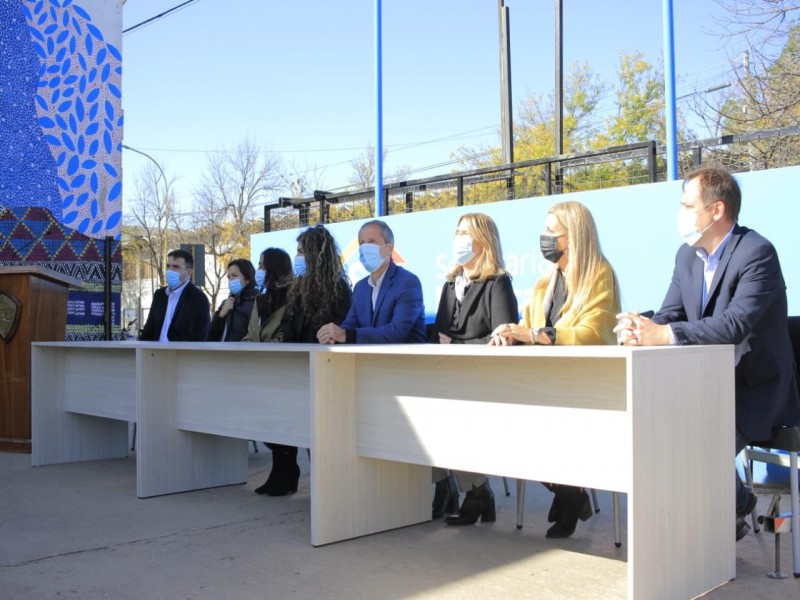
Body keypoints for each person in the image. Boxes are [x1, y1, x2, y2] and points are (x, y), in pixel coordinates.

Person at [614, 164, 800, 542]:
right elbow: (670, 315)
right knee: (664, 430)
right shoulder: (687, 257)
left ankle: (716, 527)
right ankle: (735, 506)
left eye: (687, 204)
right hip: (706, 385)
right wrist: (639, 326)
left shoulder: (757, 253)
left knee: (697, 440)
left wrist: (663, 334)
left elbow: (733, 326)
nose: (681, 214)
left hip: (755, 390)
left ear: (716, 210)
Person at [490, 201, 621, 538]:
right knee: (504, 425)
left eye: (552, 231)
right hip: (544, 385)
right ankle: (571, 496)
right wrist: (510, 334)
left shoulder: (599, 277)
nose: (545, 238)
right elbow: (528, 327)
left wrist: (534, 335)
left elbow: (594, 334)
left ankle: (570, 497)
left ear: (573, 237)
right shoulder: (544, 283)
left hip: (584, 389)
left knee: (537, 427)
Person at [428, 213, 519, 525]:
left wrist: (456, 346)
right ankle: (443, 485)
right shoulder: (449, 284)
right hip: (448, 375)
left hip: (483, 379)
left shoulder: (498, 283)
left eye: (465, 232)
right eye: (457, 232)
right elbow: (440, 332)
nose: (459, 238)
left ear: (484, 240)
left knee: (451, 415)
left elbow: (503, 338)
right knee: (422, 407)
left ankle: (478, 491)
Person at [255, 225, 352, 497]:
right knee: (285, 419)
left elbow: (337, 328)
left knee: (317, 431)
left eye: (301, 251)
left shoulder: (338, 289)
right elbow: (288, 325)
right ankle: (283, 472)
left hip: (323, 369)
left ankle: (325, 485)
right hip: (295, 366)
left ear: (315, 255)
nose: (298, 257)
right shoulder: (297, 289)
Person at [316, 219, 426, 345]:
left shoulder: (408, 283)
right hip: (367, 362)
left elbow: (396, 333)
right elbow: (350, 325)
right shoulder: (360, 287)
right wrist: (332, 335)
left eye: (372, 242)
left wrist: (347, 335)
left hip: (406, 362)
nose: (365, 248)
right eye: (362, 243)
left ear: (389, 248)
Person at [139, 249, 210, 342]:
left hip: (180, 354)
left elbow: (198, 336)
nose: (170, 270)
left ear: (188, 272)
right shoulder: (159, 295)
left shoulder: (198, 298)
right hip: (155, 353)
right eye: (168, 266)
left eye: (176, 267)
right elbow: (149, 329)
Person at [241, 248, 293, 343]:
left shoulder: (291, 299)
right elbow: (250, 334)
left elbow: (284, 336)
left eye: (261, 266)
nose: (258, 270)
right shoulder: (261, 300)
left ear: (273, 268)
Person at [207, 258, 258, 342]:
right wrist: (221, 315)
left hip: (242, 353)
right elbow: (211, 336)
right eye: (229, 277)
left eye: (234, 276)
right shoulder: (226, 303)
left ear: (247, 279)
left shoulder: (257, 302)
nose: (231, 280)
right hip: (221, 353)